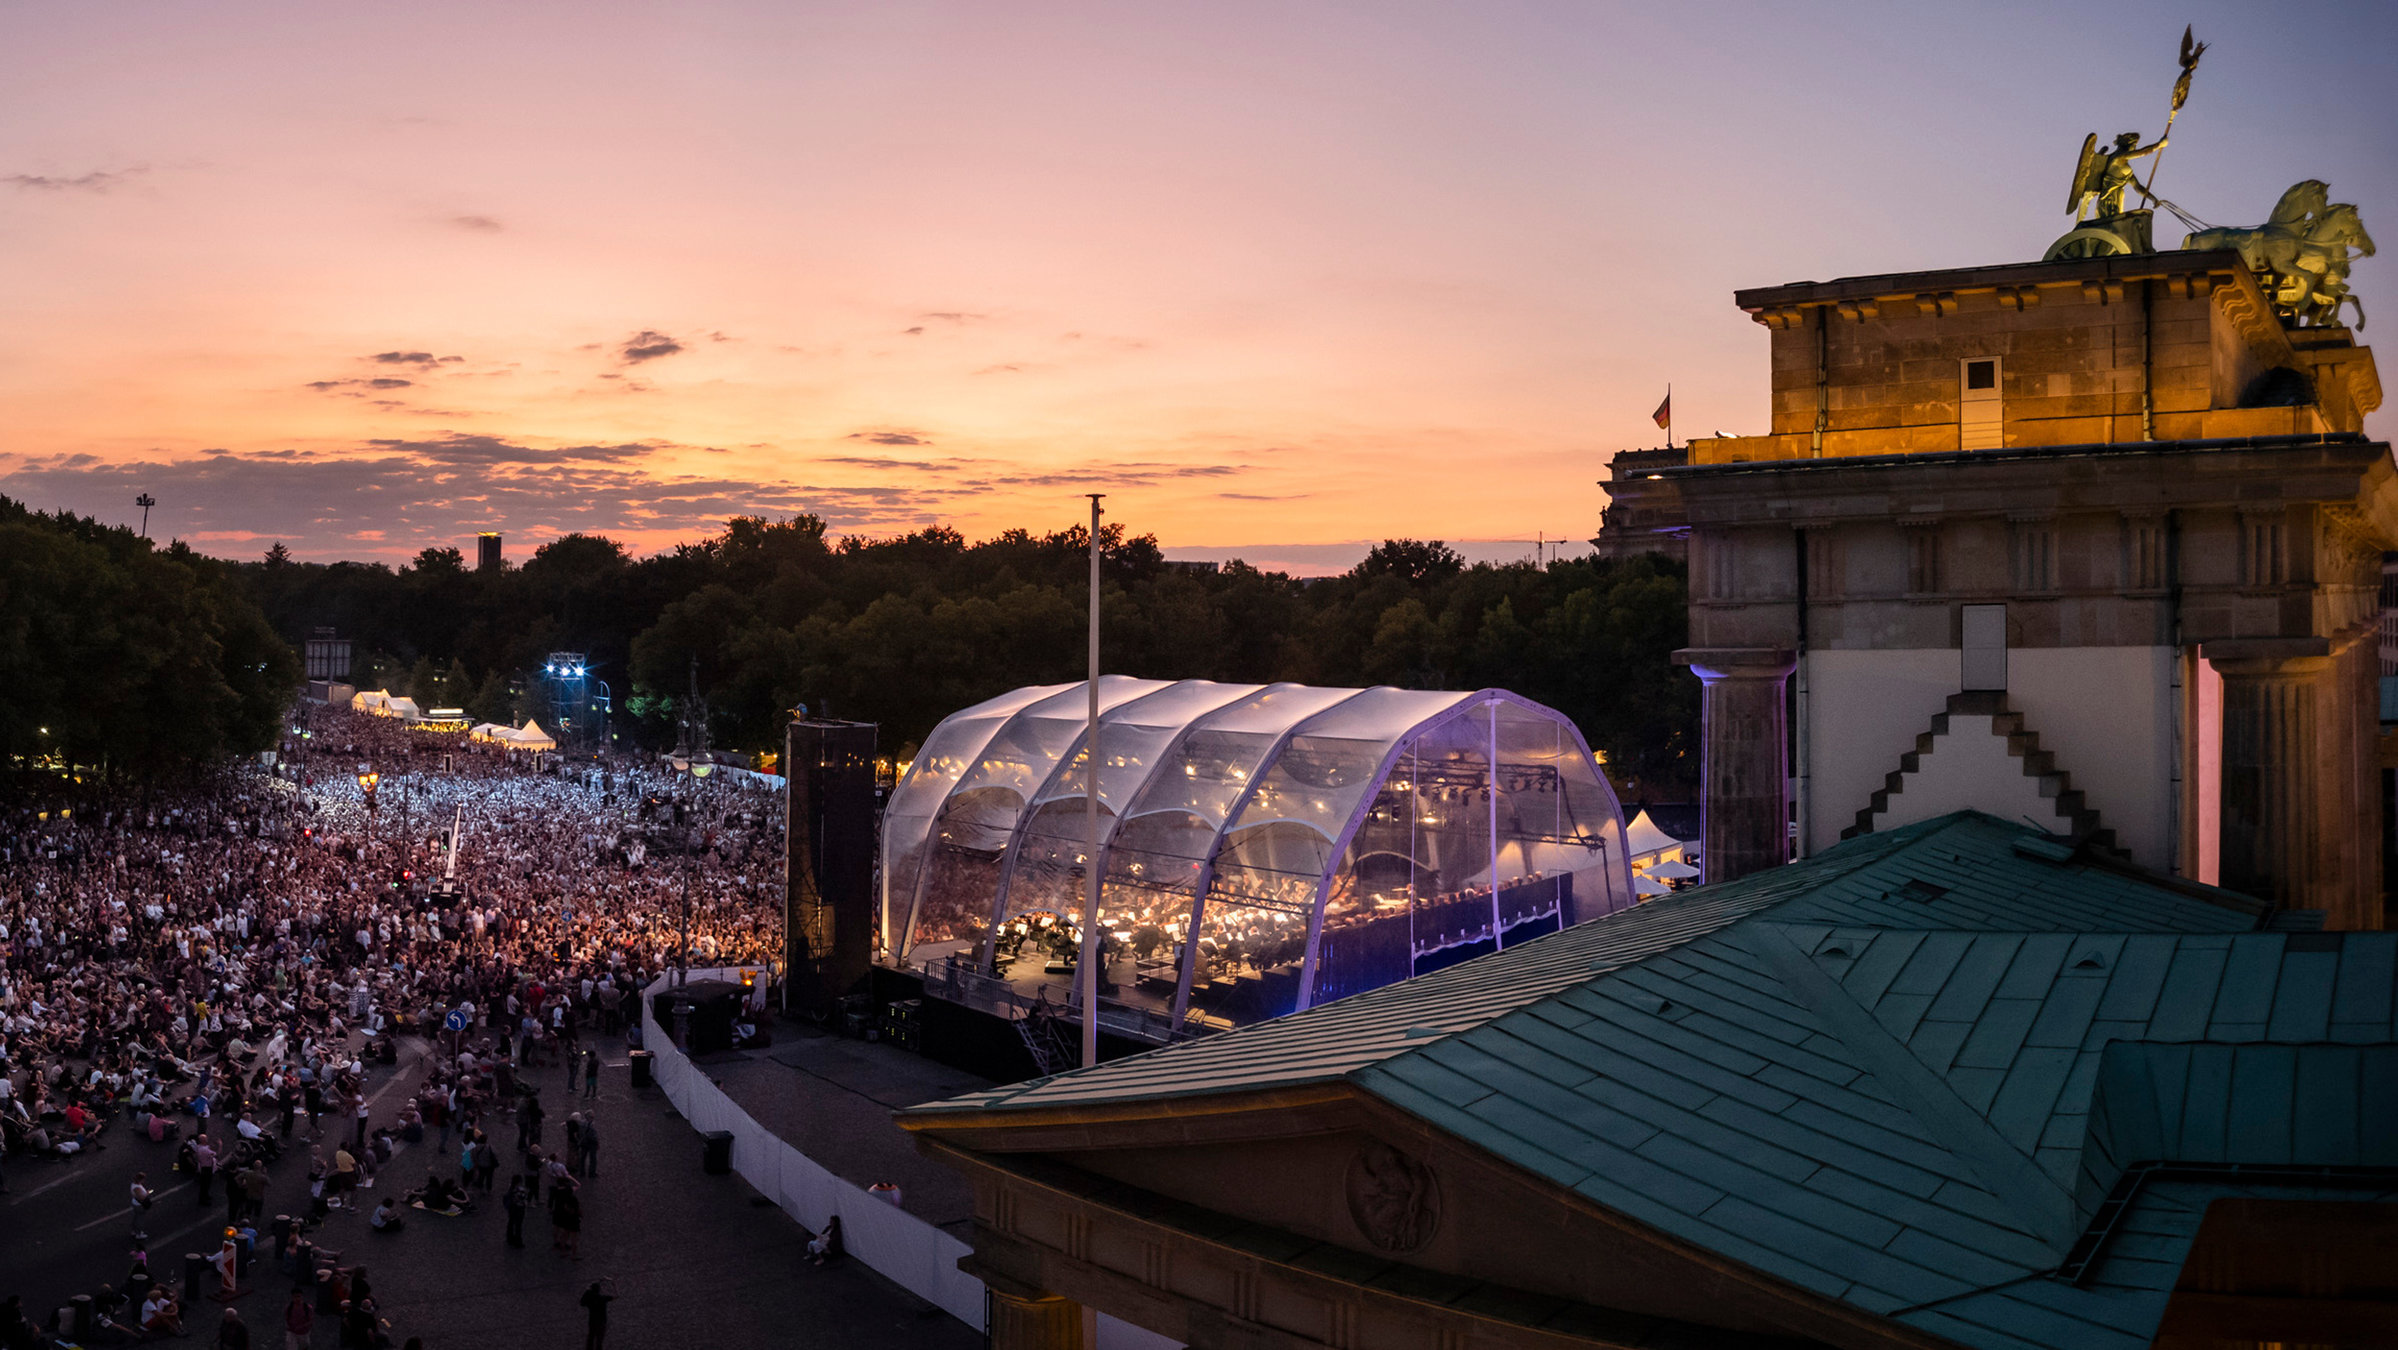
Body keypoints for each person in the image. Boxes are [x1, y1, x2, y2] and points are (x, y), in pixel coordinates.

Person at [578, 1279, 615, 1350]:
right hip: (601, 1322)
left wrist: (587, 1290)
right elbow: (617, 1295)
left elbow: (581, 1302)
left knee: (591, 1338)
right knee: (599, 1339)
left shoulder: (590, 1300)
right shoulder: (603, 1298)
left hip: (592, 1321)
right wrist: (613, 1284)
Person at [502, 1177, 528, 1248]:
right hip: (519, 1208)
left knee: (511, 1222)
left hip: (512, 1208)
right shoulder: (520, 1190)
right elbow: (523, 1199)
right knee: (518, 1225)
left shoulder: (511, 1188)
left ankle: (510, 1238)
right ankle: (518, 1241)